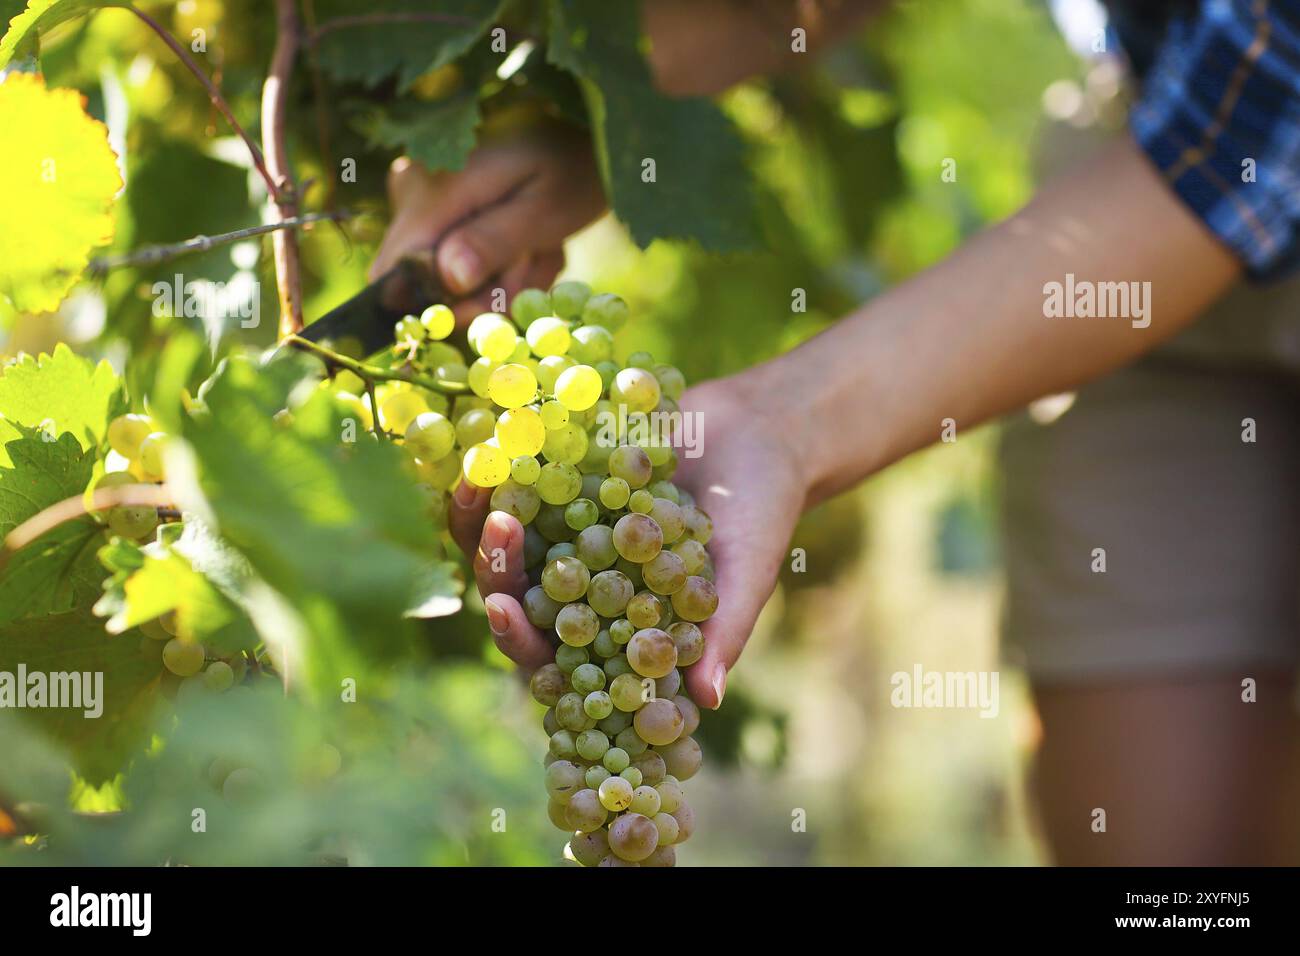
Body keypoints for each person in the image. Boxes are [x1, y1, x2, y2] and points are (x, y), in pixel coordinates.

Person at [371, 1, 1300, 865]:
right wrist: (591, 114)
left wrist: (791, 421)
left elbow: (1259, 125)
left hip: (1223, 147)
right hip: (1136, 151)